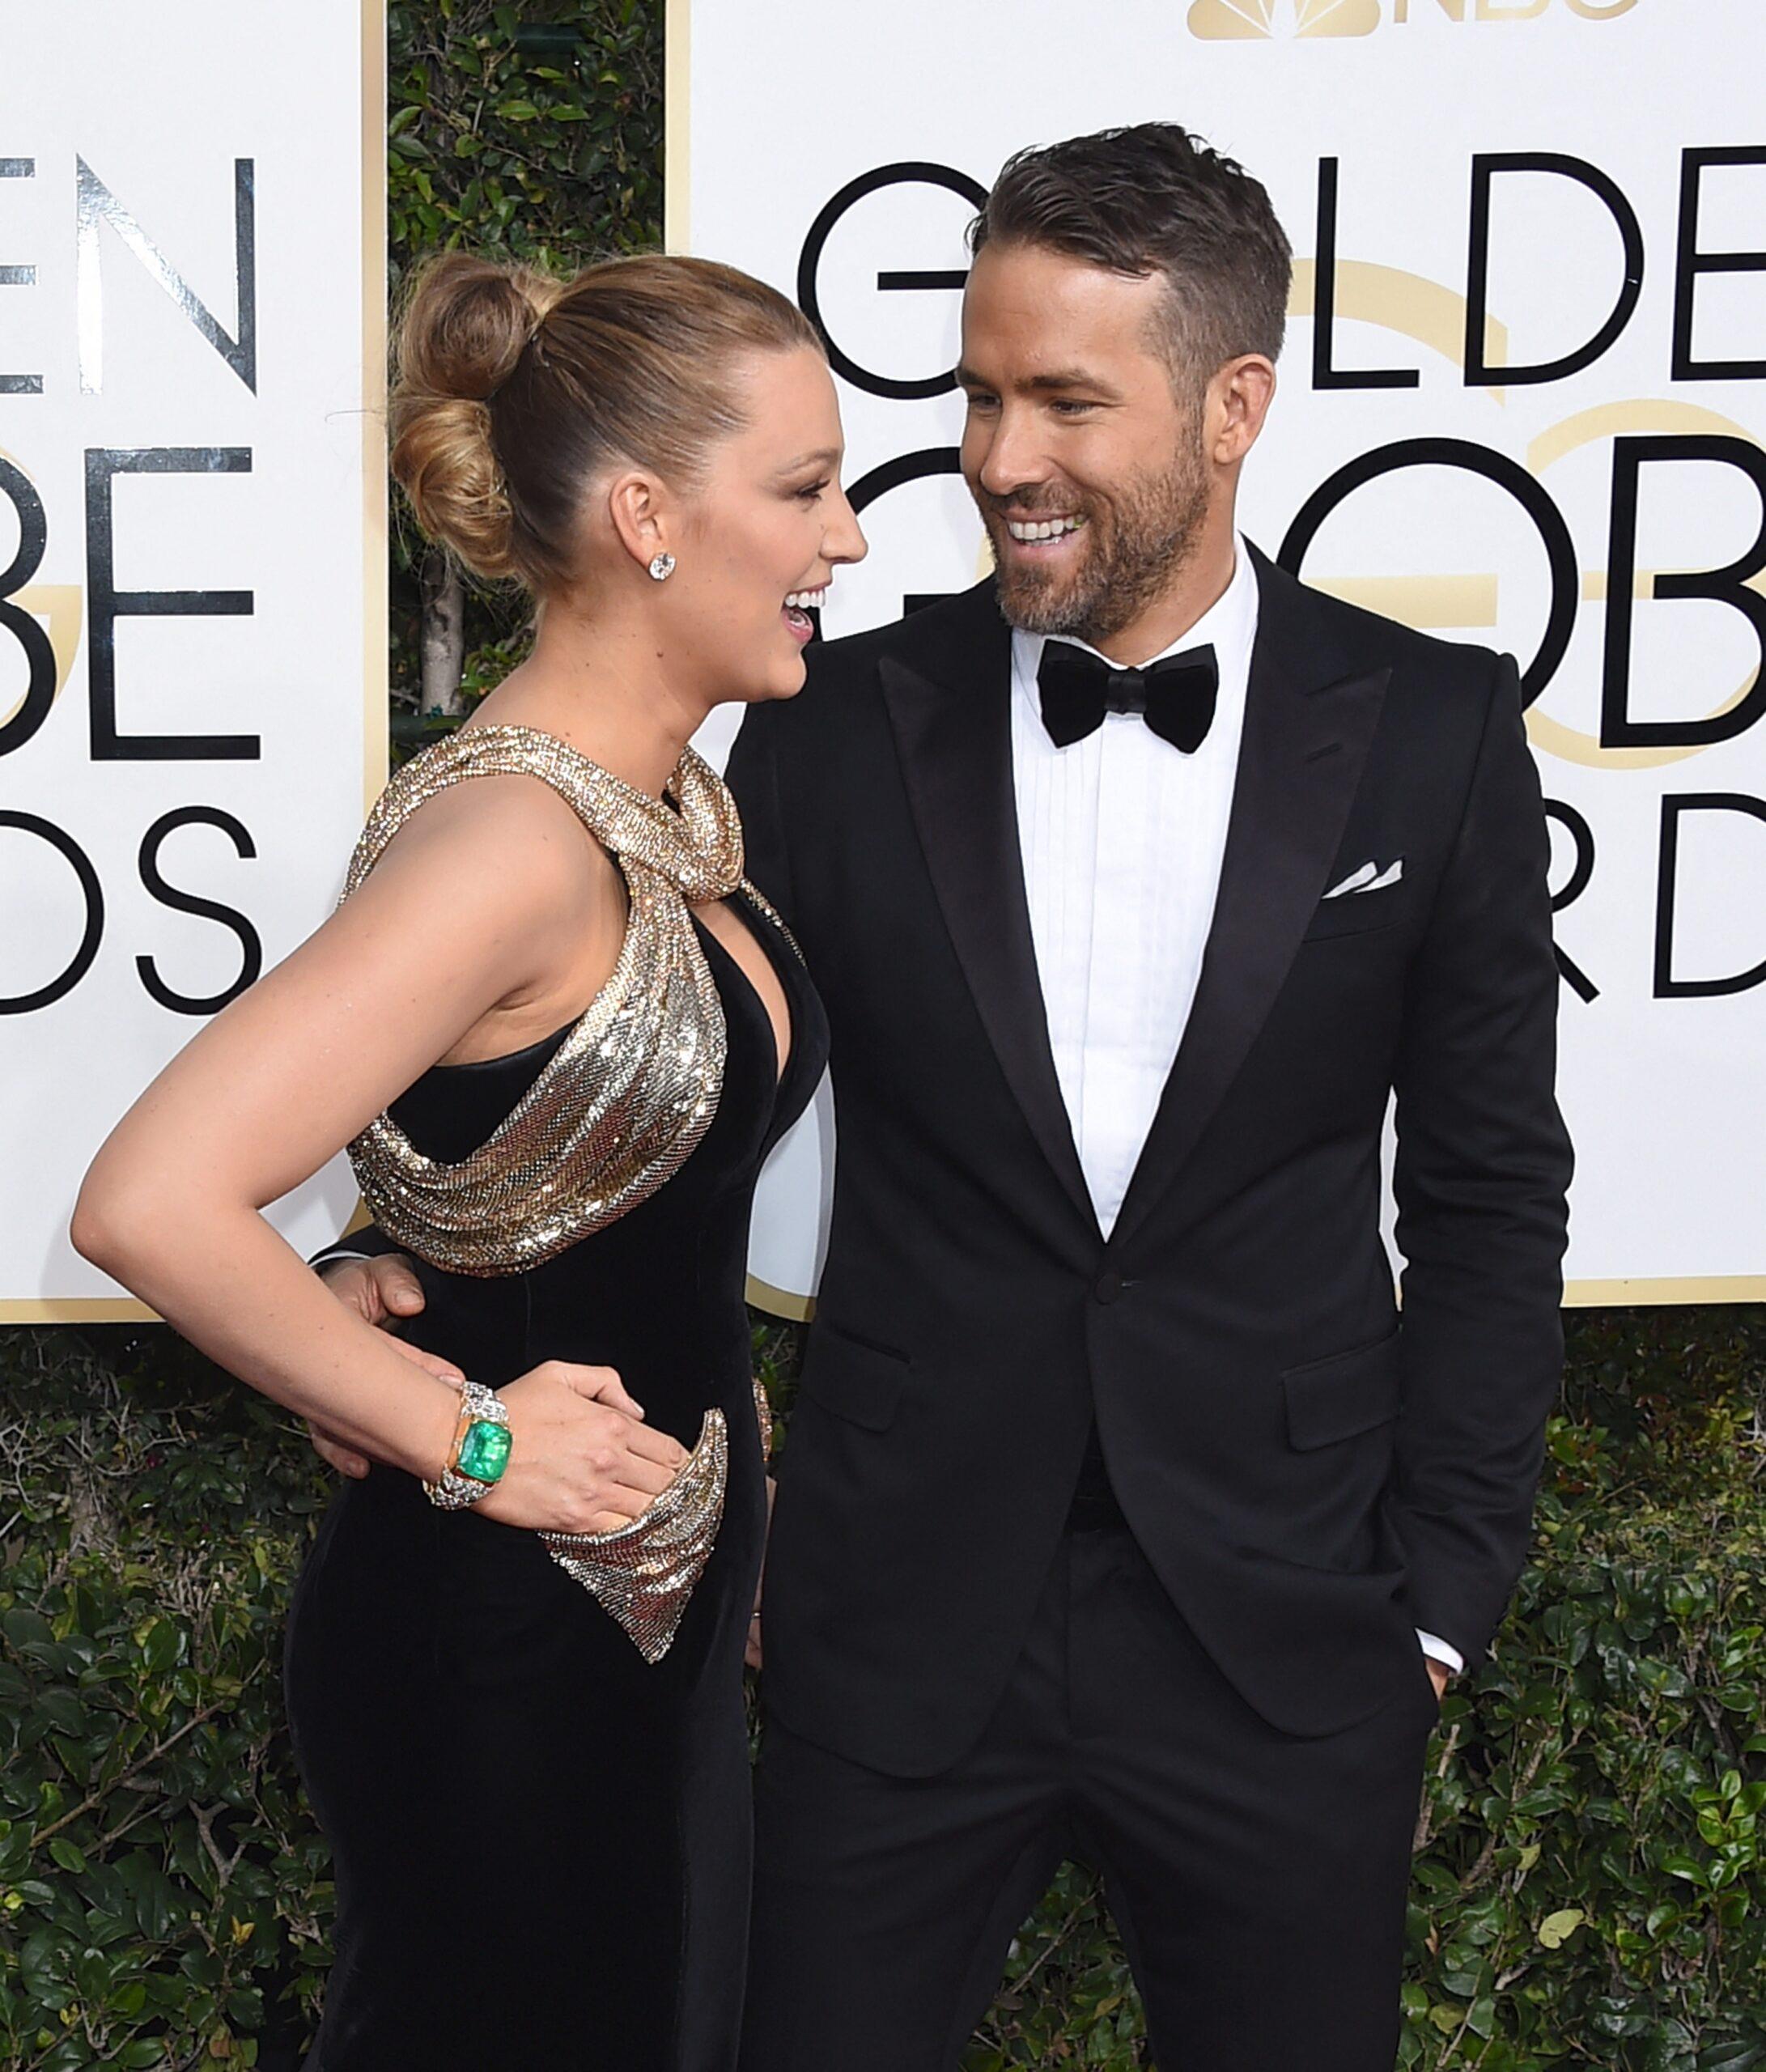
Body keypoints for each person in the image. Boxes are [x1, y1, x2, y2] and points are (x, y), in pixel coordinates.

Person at [316, 122, 1572, 2071]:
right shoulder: (829, 724)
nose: (995, 459)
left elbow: (1490, 1197)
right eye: (979, 393)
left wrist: (1432, 1609)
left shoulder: (1430, 733)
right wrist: (388, 1258)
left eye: (1067, 398)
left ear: (1234, 405)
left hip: (1285, 1635)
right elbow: (611, 1032)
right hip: (885, 1623)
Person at [72, 248, 862, 2071]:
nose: (846, 541)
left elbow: (531, 1156)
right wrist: (470, 1434)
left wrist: (375, 1251)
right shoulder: (514, 836)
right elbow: (149, 1196)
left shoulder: (652, 810)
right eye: (806, 489)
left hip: (641, 1617)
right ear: (653, 517)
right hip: (503, 1641)